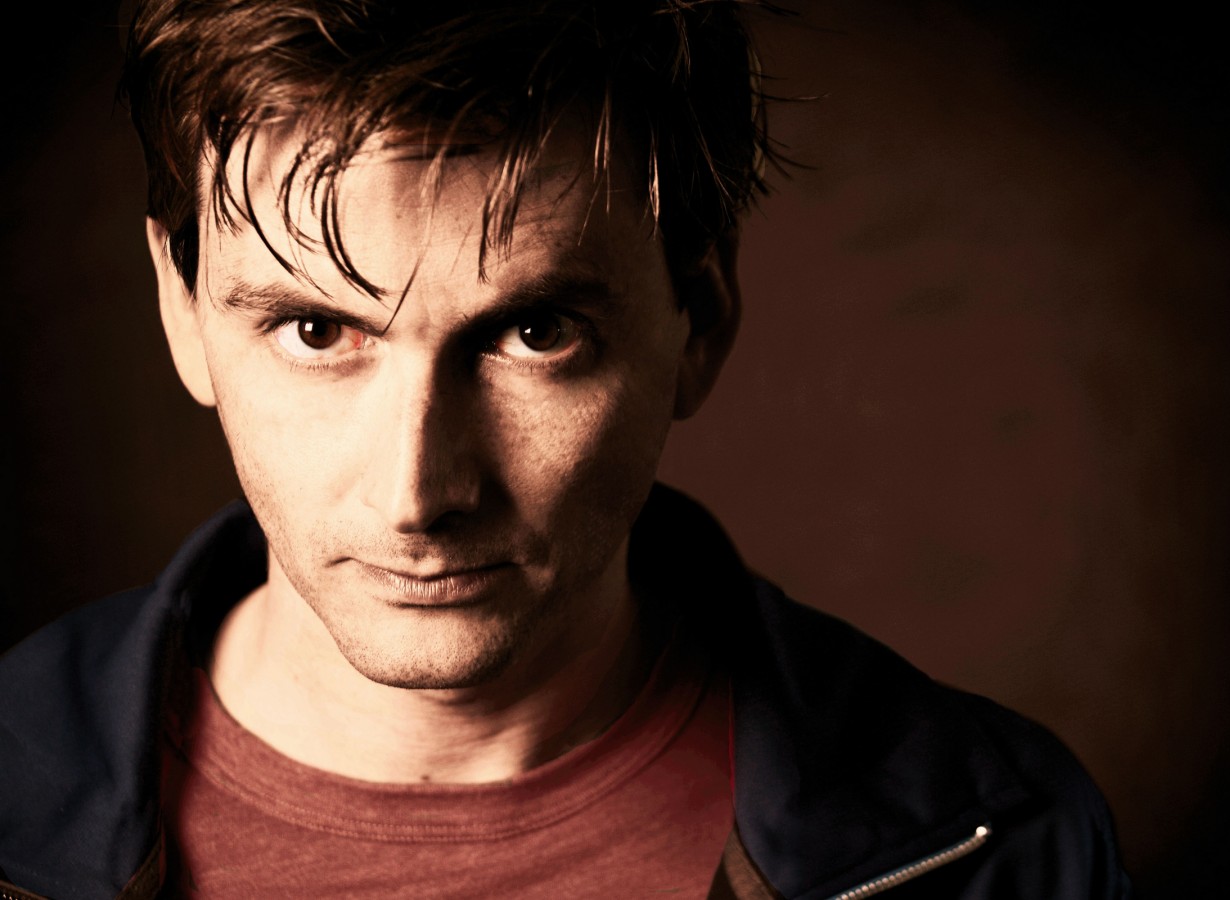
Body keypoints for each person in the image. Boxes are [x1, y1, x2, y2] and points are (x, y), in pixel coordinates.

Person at [0, 1, 1129, 897]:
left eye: (535, 335)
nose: (417, 493)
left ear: (700, 321)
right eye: (314, 331)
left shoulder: (1000, 845)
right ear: (181, 311)